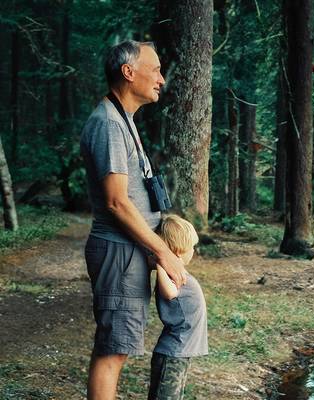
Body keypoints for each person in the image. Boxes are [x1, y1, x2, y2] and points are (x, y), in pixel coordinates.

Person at [80, 40, 187, 400]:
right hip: (119, 253)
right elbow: (116, 202)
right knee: (112, 351)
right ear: (129, 72)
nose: (161, 78)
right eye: (155, 69)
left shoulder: (122, 120)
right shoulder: (108, 123)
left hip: (128, 252)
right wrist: (164, 252)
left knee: (117, 347)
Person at [148, 214, 208, 400]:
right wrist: (161, 262)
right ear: (178, 251)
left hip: (180, 352)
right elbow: (170, 293)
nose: (193, 251)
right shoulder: (170, 275)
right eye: (191, 247)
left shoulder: (176, 273)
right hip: (173, 352)